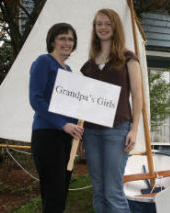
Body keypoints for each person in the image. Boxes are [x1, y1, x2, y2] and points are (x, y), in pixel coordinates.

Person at [80, 8, 142, 213]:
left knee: (113, 191)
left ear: (115, 27)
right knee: (98, 191)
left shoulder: (128, 58)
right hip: (90, 133)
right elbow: (82, 101)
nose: (103, 27)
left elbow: (137, 95)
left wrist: (134, 130)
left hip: (117, 130)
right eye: (99, 24)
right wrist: (79, 137)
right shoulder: (88, 66)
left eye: (107, 23)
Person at [29, 23, 84, 213]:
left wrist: (78, 133)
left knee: (60, 195)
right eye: (62, 38)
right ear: (53, 40)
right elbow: (36, 99)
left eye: (70, 39)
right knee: (53, 195)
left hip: (65, 137)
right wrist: (62, 125)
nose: (67, 42)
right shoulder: (43, 62)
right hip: (47, 135)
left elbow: (71, 108)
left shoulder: (68, 71)